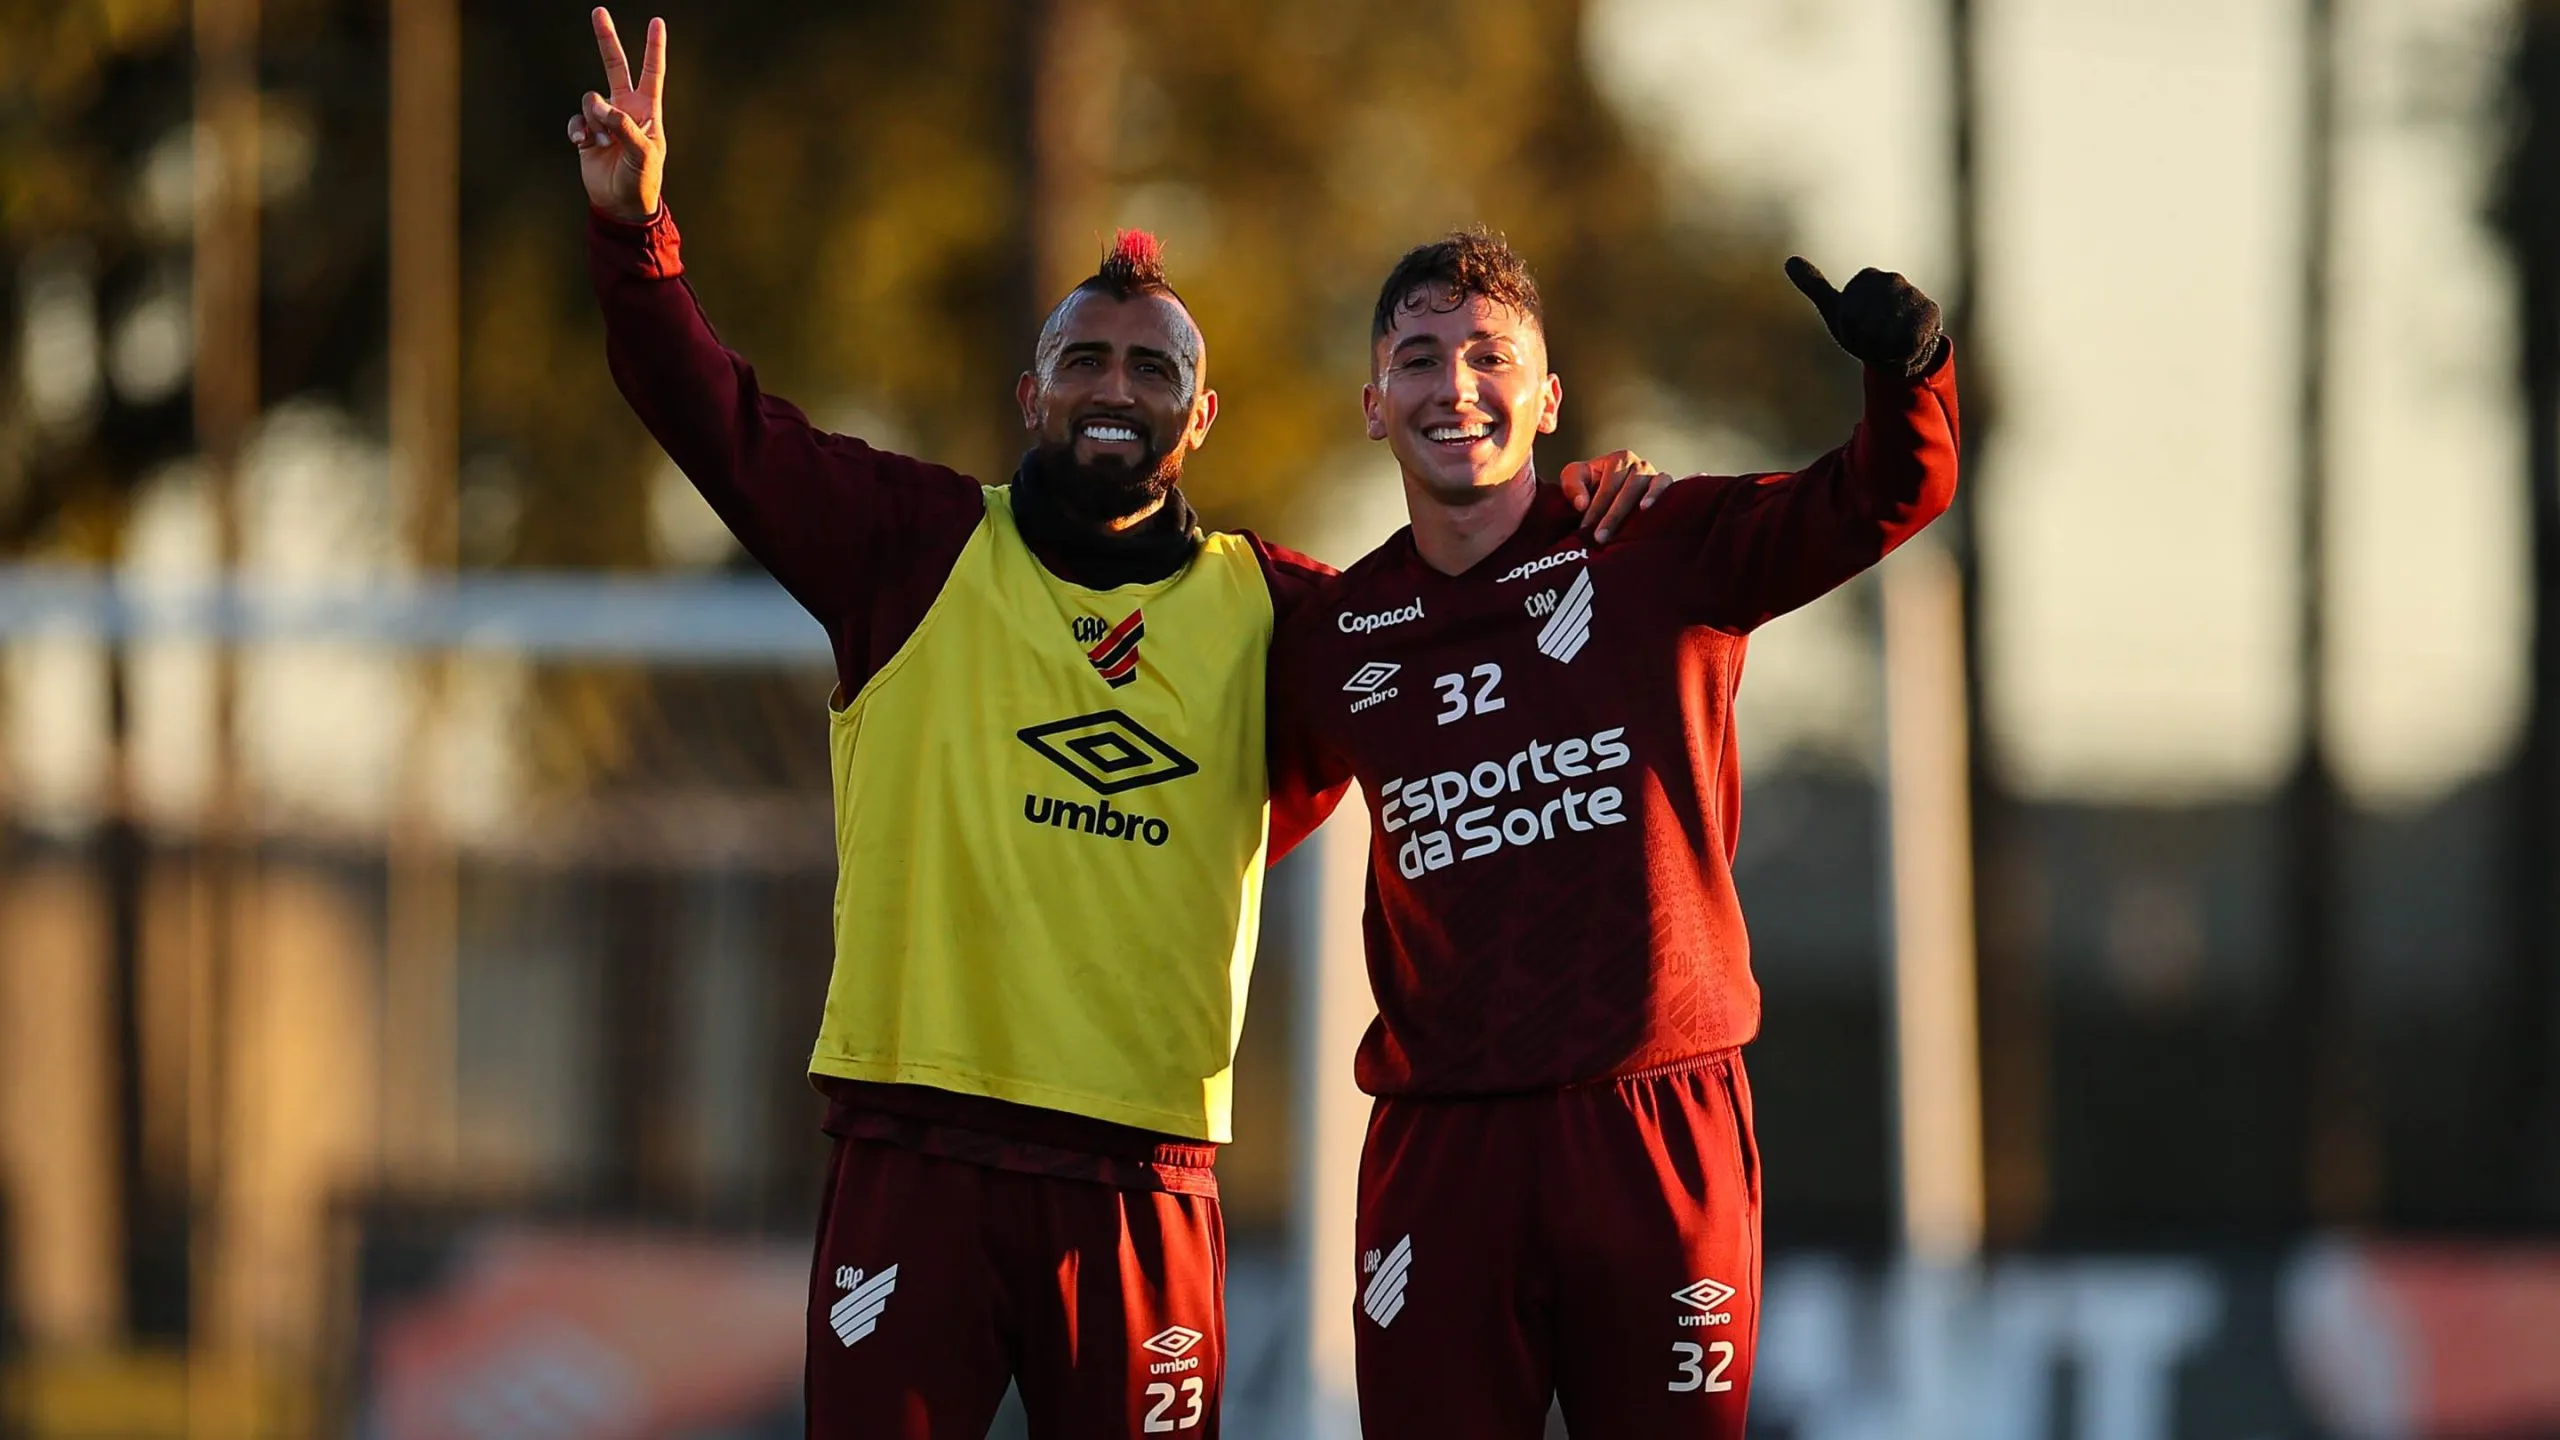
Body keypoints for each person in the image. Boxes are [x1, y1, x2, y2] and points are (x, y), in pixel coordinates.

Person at [564, 15, 1667, 1434]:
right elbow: (707, 412)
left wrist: (1572, 510)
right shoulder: (909, 550)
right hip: (919, 1148)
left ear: (1198, 418)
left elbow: (1453, 615)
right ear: (1032, 395)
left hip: (1146, 1179)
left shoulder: (1279, 610)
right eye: (1084, 361)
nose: (1114, 389)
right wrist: (634, 227)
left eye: (1151, 370)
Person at [1271, 229, 1960, 1437]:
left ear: (1547, 400)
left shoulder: (1649, 547)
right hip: (1446, 1153)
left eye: (1491, 356)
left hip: (1653, 1134)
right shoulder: (1335, 636)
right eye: (1420, 359)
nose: (1456, 387)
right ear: (1373, 405)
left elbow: (1883, 496)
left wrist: (1910, 372)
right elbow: (1226, 814)